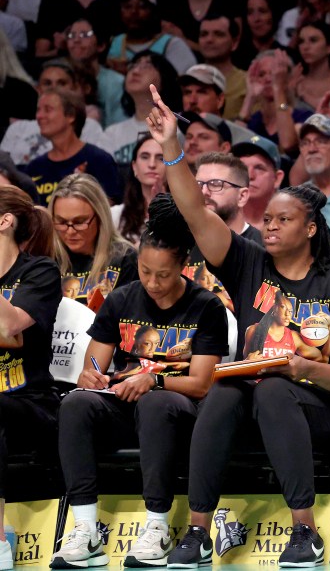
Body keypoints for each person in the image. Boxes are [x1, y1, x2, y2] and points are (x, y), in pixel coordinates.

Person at [145, 85, 330, 567]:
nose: (269, 226)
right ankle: (198, 531)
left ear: (310, 229)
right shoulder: (248, 262)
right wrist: (171, 146)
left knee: (272, 389)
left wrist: (303, 369)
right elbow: (194, 211)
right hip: (252, 397)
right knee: (224, 391)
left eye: (282, 220)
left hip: (317, 405)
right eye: (266, 218)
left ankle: (305, 532)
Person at [50, 193, 228, 570]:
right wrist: (90, 374)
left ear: (182, 265)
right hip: (126, 402)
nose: (152, 282)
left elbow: (202, 383)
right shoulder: (121, 299)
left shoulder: (205, 306)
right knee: (76, 402)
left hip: (179, 408)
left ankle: (157, 527)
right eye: (145, 271)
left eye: (163, 274)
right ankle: (85, 529)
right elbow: (94, 362)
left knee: (155, 402)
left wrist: (155, 380)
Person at [0, 186, 60, 571]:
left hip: (32, 404)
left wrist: (10, 333)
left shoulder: (39, 272)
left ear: (4, 221)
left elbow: (11, 325)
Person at [183, 151, 262, 315]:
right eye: (199, 184)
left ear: (242, 196)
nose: (204, 192)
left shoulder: (262, 248)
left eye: (215, 184)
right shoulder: (180, 242)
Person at [50, 173, 139, 307]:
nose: (70, 231)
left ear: (100, 217)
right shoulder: (48, 258)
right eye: (61, 222)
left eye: (79, 222)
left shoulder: (125, 259)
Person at [26, 89, 122, 205]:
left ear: (71, 116)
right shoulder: (34, 167)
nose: (39, 116)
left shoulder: (99, 160)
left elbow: (110, 208)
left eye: (48, 109)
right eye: (38, 110)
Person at [103, 51, 183, 165]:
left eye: (147, 66)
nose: (135, 71)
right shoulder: (112, 133)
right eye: (132, 66)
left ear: (164, 78)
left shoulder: (179, 127)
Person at [107, 0, 197, 76]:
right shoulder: (112, 43)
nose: (134, 11)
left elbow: (188, 79)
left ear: (154, 13)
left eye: (142, 6)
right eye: (127, 6)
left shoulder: (171, 44)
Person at [64, 17, 126, 127]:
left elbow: (119, 126)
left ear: (101, 46)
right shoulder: (59, 77)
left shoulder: (117, 82)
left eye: (84, 35)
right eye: (71, 35)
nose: (76, 40)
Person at [112, 136, 166, 246]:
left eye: (161, 158)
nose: (152, 164)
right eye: (145, 157)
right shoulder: (115, 215)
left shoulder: (185, 213)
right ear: (134, 167)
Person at [197, 15, 247, 120]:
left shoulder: (247, 82)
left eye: (218, 34)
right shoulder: (186, 81)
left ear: (234, 43)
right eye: (204, 34)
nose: (209, 39)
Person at [232, 136, 285, 229]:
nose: (250, 176)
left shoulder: (290, 227)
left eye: (259, 168)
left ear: (277, 178)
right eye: (242, 168)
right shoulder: (219, 221)